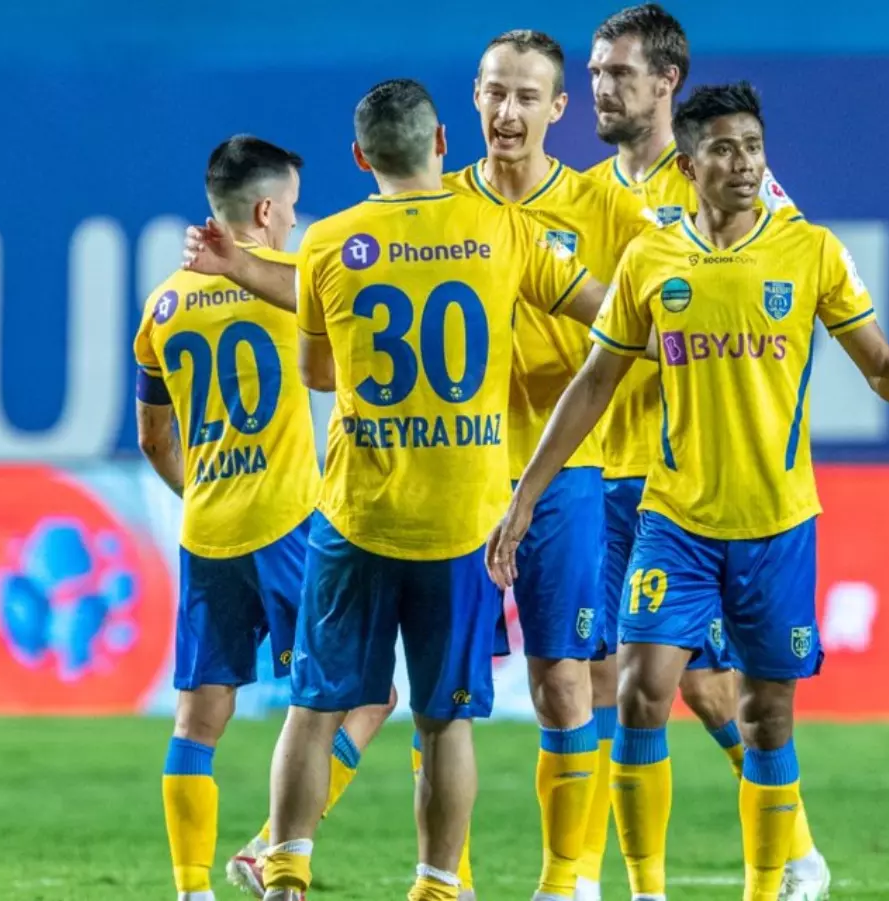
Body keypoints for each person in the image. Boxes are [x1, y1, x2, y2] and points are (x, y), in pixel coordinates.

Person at [487, 81, 889, 901]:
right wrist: (528, 491)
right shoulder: (652, 259)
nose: (744, 163)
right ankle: (646, 891)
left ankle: (766, 886)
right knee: (640, 692)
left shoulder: (810, 251)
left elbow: (880, 362)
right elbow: (595, 382)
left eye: (753, 146)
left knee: (765, 716)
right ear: (689, 163)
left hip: (777, 524)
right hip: (674, 519)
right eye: (722, 148)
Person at [204, 78, 607, 901]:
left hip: (358, 512)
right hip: (463, 518)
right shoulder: (503, 227)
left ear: (360, 157)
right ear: (442, 143)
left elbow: (319, 373)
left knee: (315, 705)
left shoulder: (329, 241)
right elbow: (608, 313)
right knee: (443, 716)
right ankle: (437, 884)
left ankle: (285, 870)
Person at [581, 7, 828, 899]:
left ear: (666, 83)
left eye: (619, 73)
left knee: (706, 685)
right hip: (607, 467)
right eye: (595, 72)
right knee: (616, 677)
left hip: (694, 480)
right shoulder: (585, 192)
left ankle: (792, 847)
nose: (602, 87)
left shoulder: (732, 185)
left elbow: (778, 287)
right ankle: (586, 876)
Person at [139, 135, 397, 901]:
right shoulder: (294, 289)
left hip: (206, 530)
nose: (292, 222)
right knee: (368, 694)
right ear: (262, 210)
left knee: (197, 719)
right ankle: (270, 846)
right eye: (288, 209)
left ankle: (191, 890)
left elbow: (153, 438)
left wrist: (205, 489)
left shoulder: (163, 306)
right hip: (289, 524)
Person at [444, 29, 659, 901]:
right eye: (496, 92)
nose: (508, 111)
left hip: (569, 474)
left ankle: (565, 882)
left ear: (559, 109)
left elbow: (660, 316)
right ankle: (444, 878)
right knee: (445, 689)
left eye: (527, 97)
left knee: (564, 679)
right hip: (456, 473)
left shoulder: (603, 208)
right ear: (474, 96)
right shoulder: (439, 207)